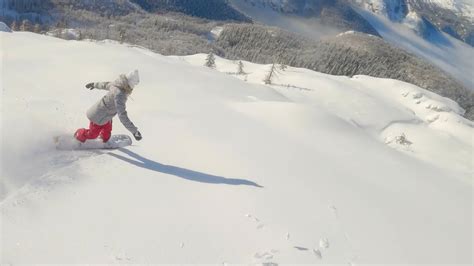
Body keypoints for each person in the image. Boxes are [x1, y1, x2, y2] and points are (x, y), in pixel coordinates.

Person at [75, 70, 142, 143]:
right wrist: (134, 131)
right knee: (92, 135)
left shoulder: (118, 85)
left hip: (106, 117)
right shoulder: (120, 95)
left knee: (106, 135)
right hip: (98, 116)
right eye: (133, 85)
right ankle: (78, 135)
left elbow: (105, 85)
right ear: (130, 84)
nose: (133, 88)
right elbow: (122, 116)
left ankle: (102, 141)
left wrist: (94, 84)